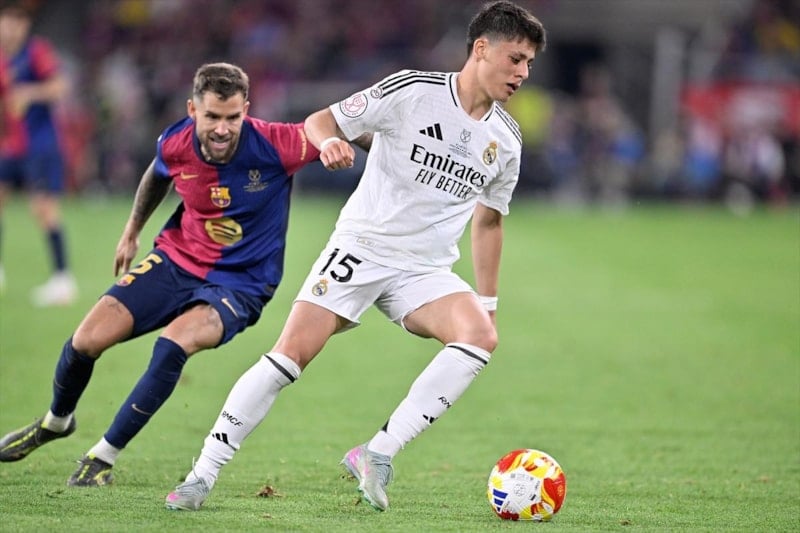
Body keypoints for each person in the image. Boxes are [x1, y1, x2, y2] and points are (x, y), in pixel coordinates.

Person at [165, 0, 546, 512]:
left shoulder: (507, 140)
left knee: (480, 337)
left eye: (529, 64)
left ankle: (377, 452)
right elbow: (321, 120)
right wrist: (327, 144)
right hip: (362, 248)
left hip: (424, 269)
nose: (523, 73)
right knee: (290, 356)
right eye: (516, 59)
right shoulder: (413, 91)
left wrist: (489, 302)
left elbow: (490, 221)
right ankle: (202, 474)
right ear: (481, 49)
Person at [0, 62, 327, 486]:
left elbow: (340, 122)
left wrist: (349, 142)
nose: (223, 129)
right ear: (193, 109)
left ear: (246, 110)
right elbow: (157, 175)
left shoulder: (275, 142)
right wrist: (132, 230)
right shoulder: (175, 141)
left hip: (242, 283)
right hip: (177, 259)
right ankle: (57, 421)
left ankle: (103, 456)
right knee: (85, 340)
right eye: (212, 116)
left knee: (173, 344)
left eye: (232, 117)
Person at [0, 4, 76, 305]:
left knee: (44, 209)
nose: (9, 28)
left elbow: (60, 86)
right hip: (9, 145)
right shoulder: (3, 58)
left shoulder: (35, 52)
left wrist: (29, 93)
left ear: (24, 26)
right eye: (5, 22)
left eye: (15, 22)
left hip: (40, 145)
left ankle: (62, 279)